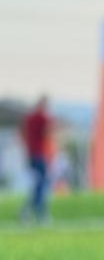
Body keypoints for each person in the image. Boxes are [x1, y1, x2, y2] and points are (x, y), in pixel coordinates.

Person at [19, 95, 54, 223]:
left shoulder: (28, 118)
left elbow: (22, 134)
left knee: (37, 184)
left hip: (30, 155)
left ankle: (29, 211)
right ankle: (38, 212)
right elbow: (47, 133)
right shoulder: (43, 118)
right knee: (41, 185)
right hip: (40, 155)